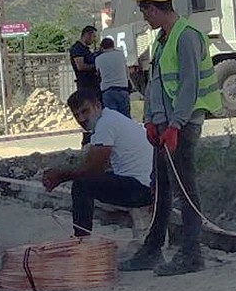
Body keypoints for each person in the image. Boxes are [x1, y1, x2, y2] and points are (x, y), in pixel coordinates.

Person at [118, 0, 222, 276]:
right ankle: (153, 249)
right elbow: (156, 84)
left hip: (183, 125)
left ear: (153, 7)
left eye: (143, 11)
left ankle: (191, 253)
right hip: (166, 126)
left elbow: (189, 85)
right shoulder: (163, 40)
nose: (144, 17)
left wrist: (175, 125)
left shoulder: (186, 36)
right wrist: (151, 120)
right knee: (161, 188)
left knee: (185, 189)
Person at [42, 88, 154, 237]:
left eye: (85, 111)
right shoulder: (110, 119)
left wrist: (61, 175)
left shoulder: (105, 124)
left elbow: (94, 169)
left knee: (82, 185)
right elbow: (91, 163)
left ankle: (82, 239)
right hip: (147, 185)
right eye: (77, 115)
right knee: (87, 180)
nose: (82, 119)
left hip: (142, 189)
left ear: (97, 106)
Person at [95, 37, 131, 117]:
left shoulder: (98, 59)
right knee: (125, 118)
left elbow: (98, 74)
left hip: (107, 91)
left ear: (102, 47)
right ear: (113, 45)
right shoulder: (120, 55)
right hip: (122, 89)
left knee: (112, 117)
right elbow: (126, 70)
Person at [70, 25, 99, 93]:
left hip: (91, 84)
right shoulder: (78, 48)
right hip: (85, 85)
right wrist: (95, 66)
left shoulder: (85, 49)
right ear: (87, 35)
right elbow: (80, 66)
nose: (94, 39)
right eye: (93, 36)